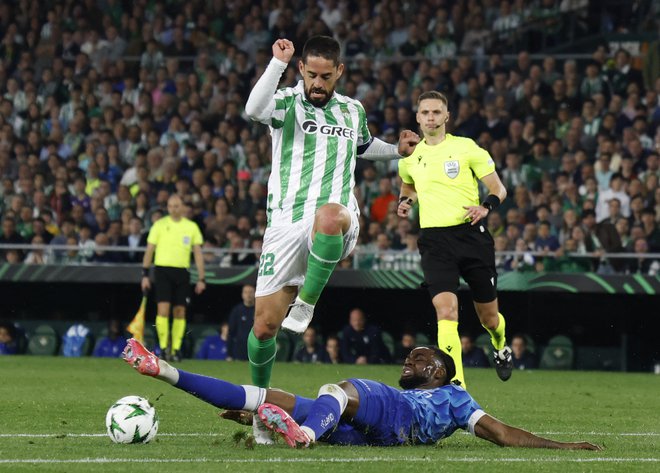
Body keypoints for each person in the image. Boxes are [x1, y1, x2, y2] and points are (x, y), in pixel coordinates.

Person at [243, 36, 418, 442]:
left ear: (338, 71)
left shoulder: (352, 109)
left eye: (325, 76)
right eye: (311, 74)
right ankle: (260, 408)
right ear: (301, 68)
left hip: (336, 218)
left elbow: (363, 146)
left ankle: (306, 305)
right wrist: (276, 64)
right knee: (265, 327)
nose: (317, 83)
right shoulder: (286, 102)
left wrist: (399, 151)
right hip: (285, 223)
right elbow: (253, 110)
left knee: (329, 215)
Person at [122, 338, 600, 450]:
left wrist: (562, 447)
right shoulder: (417, 392)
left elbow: (501, 433)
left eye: (416, 359)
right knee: (261, 397)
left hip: (399, 417)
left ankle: (303, 436)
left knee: (338, 387)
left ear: (437, 368)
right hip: (372, 435)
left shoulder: (454, 396)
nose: (406, 362)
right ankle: (163, 370)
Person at [397, 90, 512, 388]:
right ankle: (456, 384)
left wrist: (485, 207)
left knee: (489, 318)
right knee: (446, 312)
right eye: (425, 112)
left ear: (447, 116)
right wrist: (406, 202)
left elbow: (499, 189)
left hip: (472, 236)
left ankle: (500, 344)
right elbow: (409, 186)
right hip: (435, 242)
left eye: (436, 112)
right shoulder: (410, 158)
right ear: (418, 116)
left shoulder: (466, 148)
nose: (431, 117)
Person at [141, 194, 205, 362]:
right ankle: (162, 348)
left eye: (177, 206)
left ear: (182, 207)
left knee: (180, 311)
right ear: (167, 207)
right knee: (163, 310)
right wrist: (145, 274)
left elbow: (197, 253)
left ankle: (176, 349)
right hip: (162, 271)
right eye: (171, 206)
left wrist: (201, 278)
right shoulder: (159, 225)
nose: (174, 209)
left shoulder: (191, 227)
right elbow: (150, 250)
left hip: (182, 272)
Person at [226, 284, 256, 361]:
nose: (248, 295)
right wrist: (229, 354)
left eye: (250, 292)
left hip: (256, 350)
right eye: (246, 292)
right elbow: (231, 332)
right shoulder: (237, 310)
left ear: (255, 293)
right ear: (242, 294)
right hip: (239, 351)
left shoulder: (259, 310)